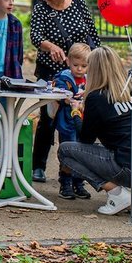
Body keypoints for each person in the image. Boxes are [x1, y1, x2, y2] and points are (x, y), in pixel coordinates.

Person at [58, 47, 132, 215]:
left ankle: (117, 194)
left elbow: (85, 140)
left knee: (66, 151)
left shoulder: (96, 98)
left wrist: (77, 111)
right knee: (131, 144)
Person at [29, 0, 100, 183]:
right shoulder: (41, 9)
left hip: (80, 71)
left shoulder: (78, 2)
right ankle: (38, 166)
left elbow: (92, 34)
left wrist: (97, 62)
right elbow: (35, 36)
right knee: (48, 119)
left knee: (76, 117)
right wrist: (49, 46)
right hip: (51, 71)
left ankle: (75, 171)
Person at [49, 42, 91, 200]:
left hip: (83, 122)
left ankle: (78, 182)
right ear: (68, 61)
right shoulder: (63, 78)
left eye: (84, 66)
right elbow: (59, 94)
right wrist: (69, 100)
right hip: (67, 123)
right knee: (68, 153)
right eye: (76, 65)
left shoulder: (89, 79)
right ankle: (65, 182)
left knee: (82, 154)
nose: (79, 69)